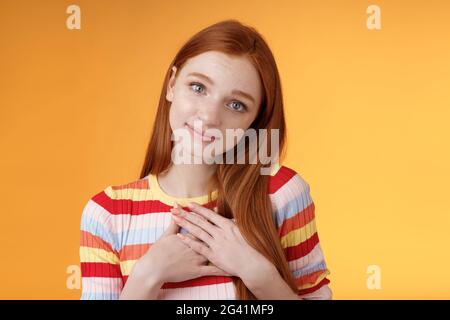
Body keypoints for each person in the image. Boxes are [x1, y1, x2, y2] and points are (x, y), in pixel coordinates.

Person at [79, 19, 332, 300]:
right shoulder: (108, 213)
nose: (210, 117)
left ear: (254, 122)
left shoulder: (282, 193)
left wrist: (259, 275)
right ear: (172, 84)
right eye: (198, 87)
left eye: (236, 105)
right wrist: (147, 275)